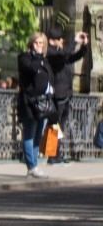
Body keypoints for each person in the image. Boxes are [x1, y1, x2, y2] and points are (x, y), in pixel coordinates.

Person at [45, 27, 89, 164]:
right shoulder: (51, 53)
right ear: (52, 41)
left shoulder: (60, 53)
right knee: (54, 125)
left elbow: (72, 57)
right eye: (59, 39)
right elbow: (65, 52)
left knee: (60, 126)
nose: (62, 41)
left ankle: (57, 154)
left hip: (65, 93)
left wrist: (83, 47)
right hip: (57, 94)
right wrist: (74, 41)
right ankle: (51, 155)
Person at [17, 32, 55, 178]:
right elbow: (32, 69)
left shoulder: (45, 61)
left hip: (44, 102)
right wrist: (37, 58)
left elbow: (49, 78)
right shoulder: (25, 58)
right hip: (30, 102)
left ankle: (34, 165)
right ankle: (31, 166)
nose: (39, 46)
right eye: (37, 43)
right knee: (29, 134)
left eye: (42, 43)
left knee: (38, 135)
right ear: (31, 43)